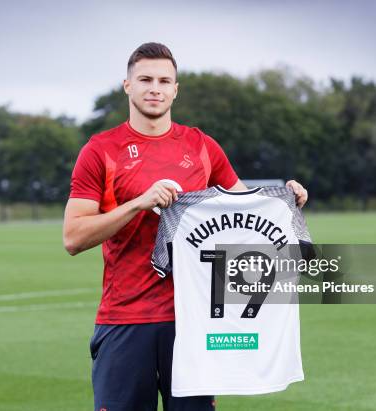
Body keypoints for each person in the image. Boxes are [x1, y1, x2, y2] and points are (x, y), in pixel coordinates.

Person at [63, 42, 308, 411]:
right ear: (127, 85)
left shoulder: (200, 146)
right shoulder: (101, 150)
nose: (155, 88)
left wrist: (285, 202)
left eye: (164, 80)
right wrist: (138, 203)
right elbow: (73, 237)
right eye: (145, 79)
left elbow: (245, 214)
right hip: (126, 318)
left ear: (176, 89)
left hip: (193, 322)